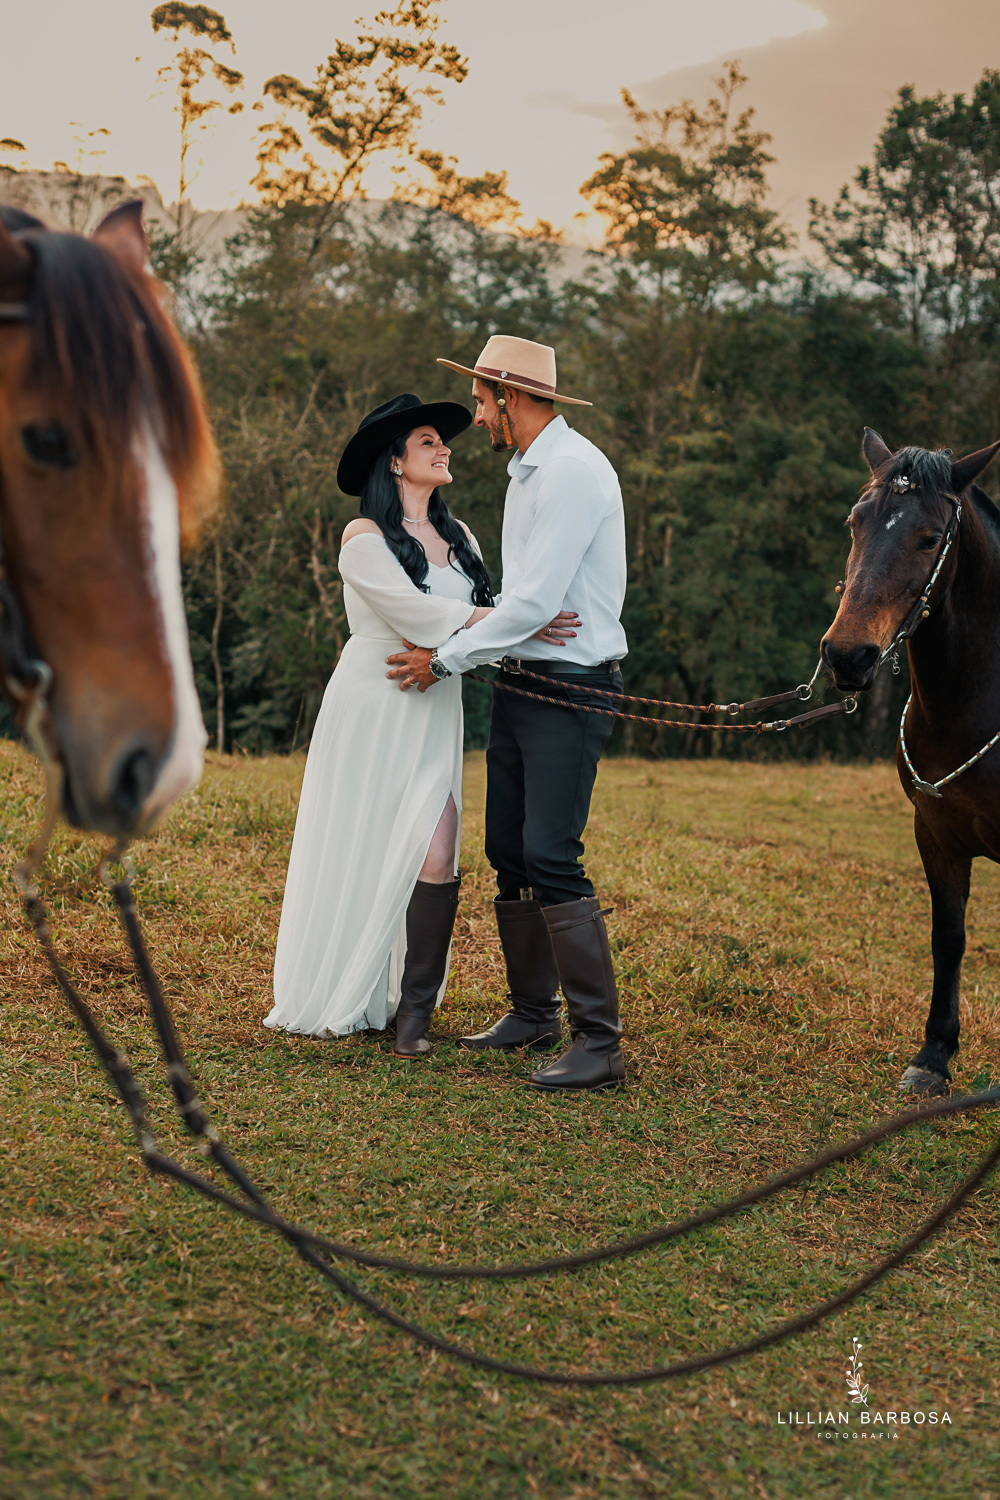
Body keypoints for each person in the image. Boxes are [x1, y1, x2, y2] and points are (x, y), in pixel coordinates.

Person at [265, 392, 573, 1057]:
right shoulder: (363, 539)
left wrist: (530, 630)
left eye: (443, 440)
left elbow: (485, 625)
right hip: (373, 703)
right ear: (396, 462)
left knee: (436, 853)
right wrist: (525, 617)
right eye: (429, 441)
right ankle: (350, 988)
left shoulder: (462, 539)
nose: (445, 449)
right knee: (364, 846)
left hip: (434, 706)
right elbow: (417, 617)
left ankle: (412, 1016)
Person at [386, 336, 628, 1091]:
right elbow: (521, 602)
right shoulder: (528, 473)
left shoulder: (570, 473)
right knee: (510, 851)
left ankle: (600, 1044)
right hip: (524, 679)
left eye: (484, 402)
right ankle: (534, 1013)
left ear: (508, 395)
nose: (479, 417)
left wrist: (446, 658)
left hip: (570, 686)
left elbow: (532, 603)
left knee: (553, 854)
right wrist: (508, 627)